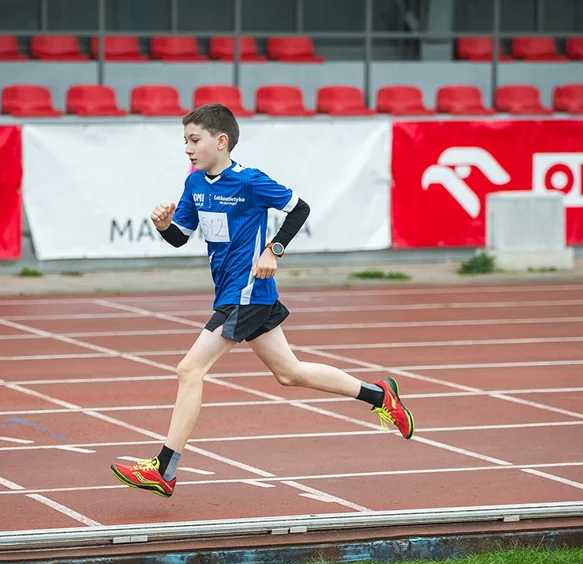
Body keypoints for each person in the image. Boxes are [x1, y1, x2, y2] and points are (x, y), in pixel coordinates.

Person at [110, 104, 414, 498]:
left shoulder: (250, 182)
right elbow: (181, 236)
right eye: (184, 141)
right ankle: (380, 394)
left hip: (247, 291)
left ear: (221, 141)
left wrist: (274, 249)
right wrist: (164, 225)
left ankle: (164, 469)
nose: (187, 148)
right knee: (290, 373)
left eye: (194, 140)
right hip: (237, 293)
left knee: (189, 370)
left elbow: (298, 208)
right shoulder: (195, 184)